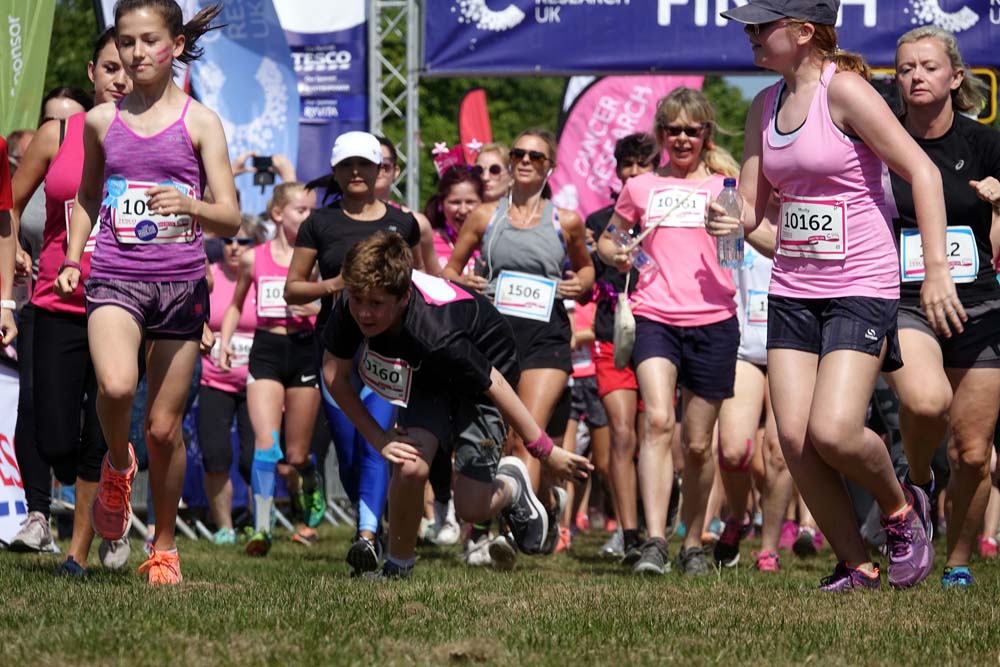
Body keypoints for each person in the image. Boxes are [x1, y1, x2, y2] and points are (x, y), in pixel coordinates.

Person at [713, 0, 962, 591]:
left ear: (802, 32)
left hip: (862, 285)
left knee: (834, 430)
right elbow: (751, 208)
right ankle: (858, 564)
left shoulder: (844, 90)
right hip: (793, 288)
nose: (750, 34)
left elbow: (921, 173)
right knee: (796, 441)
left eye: (760, 25)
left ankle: (903, 509)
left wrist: (935, 271)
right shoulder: (762, 105)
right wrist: (726, 214)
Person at [55, 0, 240, 585]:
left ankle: (164, 546)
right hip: (113, 273)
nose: (136, 54)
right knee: (114, 384)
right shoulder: (100, 122)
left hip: (180, 282)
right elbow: (87, 196)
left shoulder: (201, 122)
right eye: (127, 42)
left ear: (177, 46)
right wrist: (72, 255)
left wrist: (191, 204)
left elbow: (231, 217)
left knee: (163, 428)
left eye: (150, 41)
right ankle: (116, 463)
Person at [322, 231, 593, 579]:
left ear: (404, 297)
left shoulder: (436, 331)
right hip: (425, 374)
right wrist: (380, 439)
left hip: (483, 375)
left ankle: (511, 484)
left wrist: (544, 450)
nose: (364, 312)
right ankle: (397, 567)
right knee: (409, 465)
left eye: (375, 304)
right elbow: (334, 376)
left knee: (471, 507)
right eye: (358, 300)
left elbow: (495, 385)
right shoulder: (353, 303)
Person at [596, 88, 743, 576]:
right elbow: (609, 238)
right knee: (658, 422)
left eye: (691, 130)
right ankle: (656, 541)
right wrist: (624, 255)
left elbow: (737, 254)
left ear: (706, 135)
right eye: (673, 129)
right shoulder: (641, 187)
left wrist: (733, 231)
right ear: (661, 135)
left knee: (699, 445)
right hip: (654, 315)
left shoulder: (727, 184)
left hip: (714, 318)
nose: (682, 138)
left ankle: (694, 543)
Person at [6, 30, 130, 576]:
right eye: (110, 68)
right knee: (54, 433)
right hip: (57, 300)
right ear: (91, 73)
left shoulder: (160, 133)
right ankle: (87, 497)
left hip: (127, 302)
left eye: (130, 68)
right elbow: (8, 206)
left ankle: (84, 546)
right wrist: (4, 295)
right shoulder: (60, 133)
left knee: (102, 428)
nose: (121, 78)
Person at [443, 127, 594, 567]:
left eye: (536, 156)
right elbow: (450, 269)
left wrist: (577, 283)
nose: (525, 160)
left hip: (546, 336)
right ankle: (542, 503)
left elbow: (586, 273)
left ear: (548, 167)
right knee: (503, 438)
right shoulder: (485, 216)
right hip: (493, 334)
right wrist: (464, 279)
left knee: (527, 434)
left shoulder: (565, 220)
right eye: (519, 153)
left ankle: (510, 534)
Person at [883, 26, 1000, 589]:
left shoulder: (985, 144)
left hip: (979, 306)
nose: (915, 77)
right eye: (905, 69)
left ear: (955, 78)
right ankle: (921, 480)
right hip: (906, 302)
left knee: (975, 454)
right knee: (928, 407)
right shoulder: (880, 143)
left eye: (928, 67)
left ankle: (956, 562)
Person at [285, 130, 422, 576]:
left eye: (366, 164)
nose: (358, 173)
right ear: (337, 172)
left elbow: (420, 286)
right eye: (348, 166)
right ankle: (372, 524)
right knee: (347, 451)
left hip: (390, 351)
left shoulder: (403, 224)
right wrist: (334, 286)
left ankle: (365, 535)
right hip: (337, 351)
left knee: (378, 439)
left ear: (381, 169)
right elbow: (292, 288)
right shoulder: (319, 223)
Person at [219, 183, 322, 556]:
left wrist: (313, 309)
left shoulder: (318, 258)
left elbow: (335, 306)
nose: (309, 217)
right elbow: (234, 305)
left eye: (312, 210)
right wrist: (225, 342)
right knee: (266, 446)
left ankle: (308, 493)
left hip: (304, 351)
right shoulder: (253, 258)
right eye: (301, 210)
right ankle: (260, 529)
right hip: (266, 351)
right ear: (278, 214)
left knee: (294, 456)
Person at [586, 133, 656, 561]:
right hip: (612, 334)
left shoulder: (668, 216)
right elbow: (587, 276)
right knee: (623, 433)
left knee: (657, 434)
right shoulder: (598, 222)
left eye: (641, 165)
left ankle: (655, 530)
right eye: (625, 165)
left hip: (661, 333)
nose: (632, 173)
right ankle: (627, 533)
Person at [711, 241, 794, 571]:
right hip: (743, 349)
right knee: (733, 451)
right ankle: (737, 514)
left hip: (791, 348)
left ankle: (769, 547)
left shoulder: (805, 213)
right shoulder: (739, 222)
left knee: (778, 450)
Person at [198, 215, 265, 545]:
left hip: (258, 383)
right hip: (214, 381)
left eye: (243, 242)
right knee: (216, 454)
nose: (235, 247)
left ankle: (258, 524)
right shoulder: (211, 277)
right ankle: (224, 527)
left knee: (255, 457)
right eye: (229, 241)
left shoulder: (262, 278)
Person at [373, 136, 438, 273]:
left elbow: (434, 277)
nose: (377, 171)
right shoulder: (335, 218)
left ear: (396, 171)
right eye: (370, 164)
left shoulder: (417, 222)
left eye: (384, 165)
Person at [422, 164, 484, 275]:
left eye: (470, 202)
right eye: (455, 202)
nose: (463, 210)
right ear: (441, 204)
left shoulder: (491, 243)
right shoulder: (427, 242)